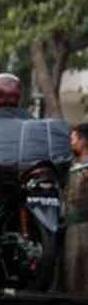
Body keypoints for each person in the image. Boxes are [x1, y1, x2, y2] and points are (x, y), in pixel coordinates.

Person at [64, 122, 88, 294]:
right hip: (72, 225)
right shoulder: (73, 165)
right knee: (73, 271)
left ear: (83, 141)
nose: (71, 142)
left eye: (73, 138)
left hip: (84, 225)